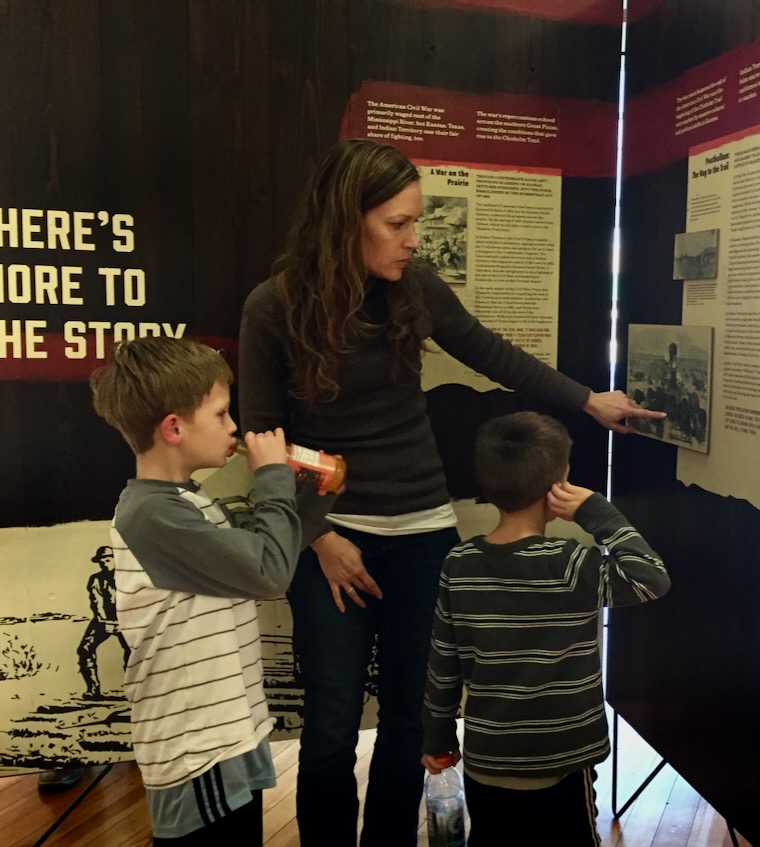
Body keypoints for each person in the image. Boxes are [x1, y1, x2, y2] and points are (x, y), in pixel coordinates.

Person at [237, 138, 661, 846]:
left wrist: (589, 400)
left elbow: (495, 355)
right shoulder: (273, 306)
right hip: (330, 540)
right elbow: (261, 436)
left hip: (422, 532)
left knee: (411, 718)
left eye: (416, 223)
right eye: (397, 224)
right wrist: (317, 536)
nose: (413, 240)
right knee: (332, 724)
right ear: (346, 221)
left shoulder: (416, 287)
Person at [421, 411, 670, 845]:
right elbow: (651, 577)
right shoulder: (569, 563)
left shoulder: (459, 565)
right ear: (561, 482)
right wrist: (594, 510)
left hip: (489, 759)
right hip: (563, 759)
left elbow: (443, 664)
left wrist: (438, 736)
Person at [89, 336, 302, 844]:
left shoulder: (189, 501)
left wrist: (310, 491)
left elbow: (274, 551)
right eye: (222, 413)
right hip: (196, 746)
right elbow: (270, 572)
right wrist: (273, 477)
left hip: (226, 731)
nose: (233, 427)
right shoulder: (152, 515)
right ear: (174, 428)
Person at [77, 545, 130, 699]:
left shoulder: (126, 578)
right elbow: (96, 602)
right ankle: (93, 690)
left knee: (133, 653)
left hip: (126, 620)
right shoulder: (96, 579)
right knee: (85, 649)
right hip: (102, 622)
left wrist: (123, 621)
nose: (104, 563)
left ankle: (133, 689)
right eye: (101, 561)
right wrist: (104, 621)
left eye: (107, 560)